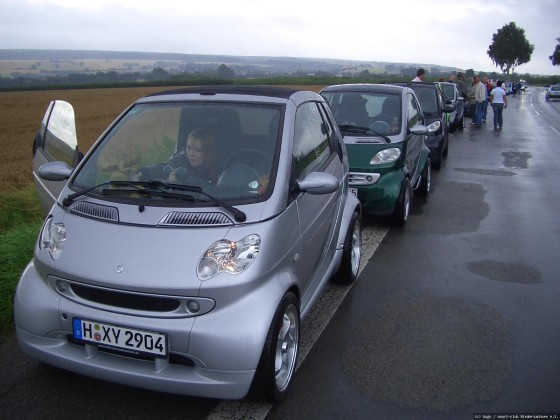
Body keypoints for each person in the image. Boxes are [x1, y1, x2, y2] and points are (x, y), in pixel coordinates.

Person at [136, 127, 218, 185]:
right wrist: (142, 172)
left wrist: (178, 182)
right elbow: (163, 166)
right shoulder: (181, 159)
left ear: (208, 152)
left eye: (197, 150)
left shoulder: (215, 173)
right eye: (188, 148)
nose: (191, 153)